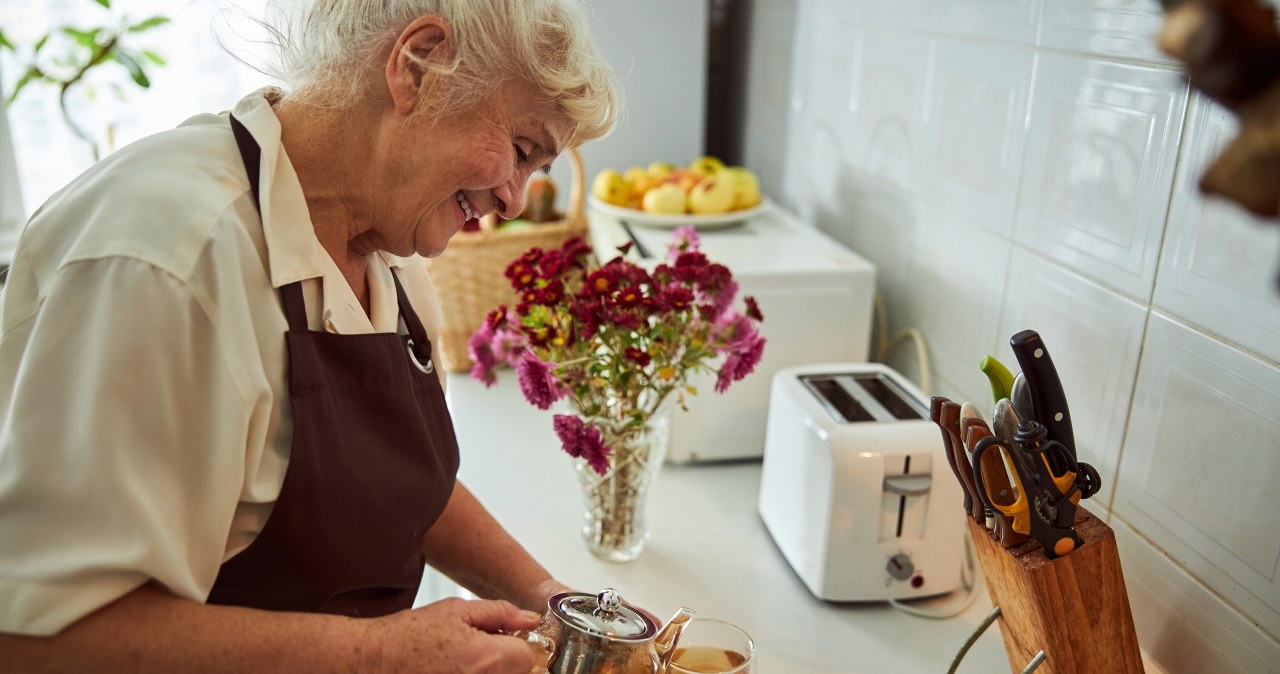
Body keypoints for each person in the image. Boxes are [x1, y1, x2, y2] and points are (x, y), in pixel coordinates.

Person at [0, 1, 619, 671]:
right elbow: (37, 635)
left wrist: (549, 599)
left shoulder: (393, 251)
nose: (517, 201)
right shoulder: (167, 258)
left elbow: (385, 485)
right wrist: (375, 655)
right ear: (421, 65)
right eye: (523, 151)